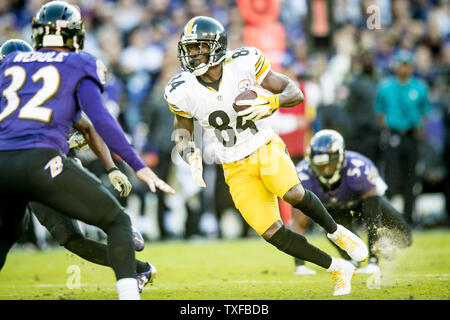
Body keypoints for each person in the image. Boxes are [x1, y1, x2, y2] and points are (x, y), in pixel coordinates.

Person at [164, 16, 368, 296]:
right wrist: (188, 152)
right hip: (232, 164)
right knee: (270, 232)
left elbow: (293, 92)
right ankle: (337, 267)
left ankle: (338, 233)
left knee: (293, 193)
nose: (193, 54)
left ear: (217, 47)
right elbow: (182, 128)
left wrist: (270, 102)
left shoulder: (244, 63)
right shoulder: (182, 89)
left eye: (200, 47)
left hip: (263, 145)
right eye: (190, 48)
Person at [0, 1, 174, 300]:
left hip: (4, 164)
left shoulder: (9, 63)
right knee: (117, 221)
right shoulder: (79, 63)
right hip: (42, 163)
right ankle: (130, 293)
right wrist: (135, 165)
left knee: (9, 235)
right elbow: (101, 120)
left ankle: (139, 268)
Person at [290, 129, 412, 275]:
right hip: (335, 211)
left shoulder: (358, 167)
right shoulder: (303, 174)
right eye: (320, 165)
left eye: (330, 163)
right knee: (330, 227)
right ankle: (352, 259)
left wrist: (374, 262)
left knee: (404, 236)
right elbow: (299, 223)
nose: (326, 170)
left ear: (341, 157)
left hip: (361, 203)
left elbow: (373, 218)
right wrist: (300, 266)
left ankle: (377, 253)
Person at [375, 49, 431, 227]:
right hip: (393, 136)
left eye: (407, 64)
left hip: (411, 136)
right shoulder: (386, 87)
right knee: (391, 178)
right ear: (396, 66)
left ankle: (409, 218)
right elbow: (380, 113)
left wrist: (419, 129)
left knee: (411, 179)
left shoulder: (420, 88)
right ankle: (390, 219)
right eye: (401, 64)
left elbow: (424, 113)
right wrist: (388, 129)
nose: (404, 68)